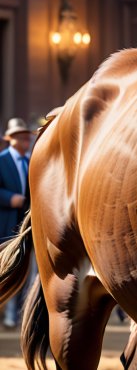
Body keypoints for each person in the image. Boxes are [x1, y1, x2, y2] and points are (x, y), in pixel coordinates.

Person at [0, 117, 34, 328]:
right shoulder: (1, 160)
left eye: (27, 137)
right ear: (10, 139)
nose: (25, 141)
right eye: (20, 137)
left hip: (26, 226)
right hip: (5, 224)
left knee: (26, 271)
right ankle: (7, 313)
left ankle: (20, 315)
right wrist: (8, 198)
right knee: (7, 269)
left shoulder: (32, 161)